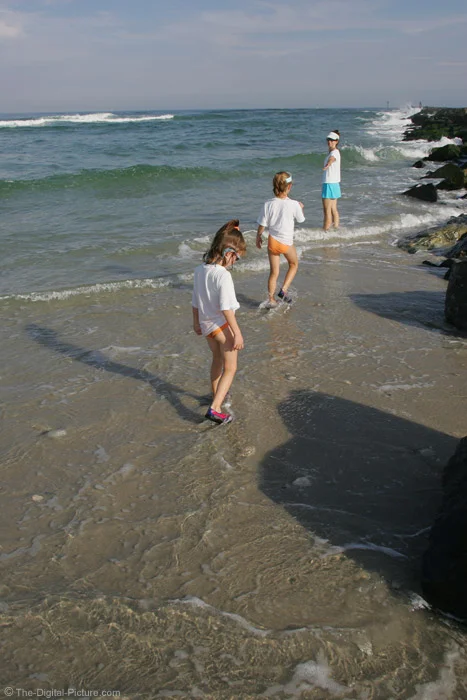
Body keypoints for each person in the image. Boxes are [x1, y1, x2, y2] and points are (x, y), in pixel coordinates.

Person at [192, 219, 246, 425]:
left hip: (206, 325)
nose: (235, 262)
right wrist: (237, 333)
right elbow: (226, 308)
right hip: (222, 326)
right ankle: (215, 408)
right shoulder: (223, 276)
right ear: (229, 253)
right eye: (237, 258)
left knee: (217, 360)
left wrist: (196, 322)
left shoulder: (199, 270)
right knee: (230, 368)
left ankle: (217, 394)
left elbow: (195, 300)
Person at [256, 171, 305, 306]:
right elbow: (301, 219)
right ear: (289, 187)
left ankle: (271, 299)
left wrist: (258, 236)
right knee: (293, 264)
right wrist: (301, 208)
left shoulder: (268, 204)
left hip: (273, 242)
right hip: (286, 243)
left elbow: (262, 224)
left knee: (274, 272)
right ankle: (283, 290)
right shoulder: (294, 204)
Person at [322, 130, 341, 231]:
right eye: (328, 140)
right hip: (335, 183)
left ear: (336, 141)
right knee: (333, 209)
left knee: (327, 212)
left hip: (329, 183)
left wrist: (328, 165)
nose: (330, 142)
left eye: (332, 140)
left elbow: (332, 159)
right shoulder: (335, 152)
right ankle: (336, 229)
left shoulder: (334, 153)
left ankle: (324, 232)